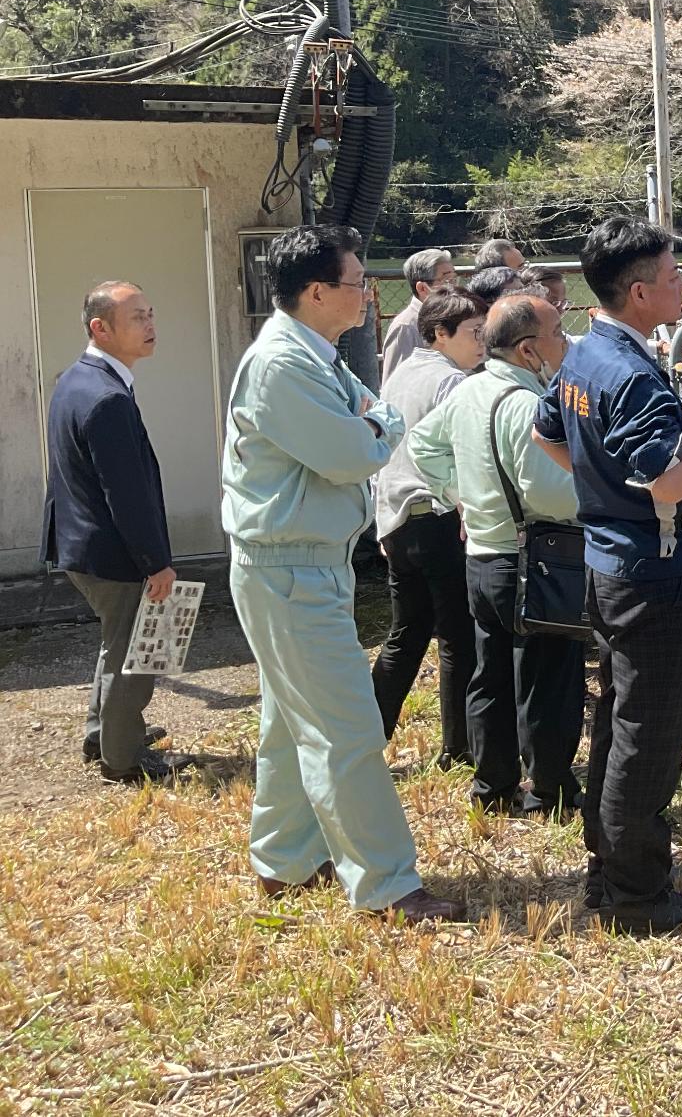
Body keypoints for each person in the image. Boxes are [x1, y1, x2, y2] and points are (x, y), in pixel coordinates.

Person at [221, 223, 463, 922]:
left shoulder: (312, 353)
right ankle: (387, 884)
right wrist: (377, 426)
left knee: (290, 720)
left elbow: (372, 417)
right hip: (290, 564)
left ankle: (284, 858)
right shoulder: (283, 364)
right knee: (347, 727)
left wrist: (372, 423)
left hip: (299, 561)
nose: (367, 294)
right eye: (358, 282)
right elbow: (354, 450)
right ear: (319, 290)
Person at [532, 216, 682, 934]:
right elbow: (667, 479)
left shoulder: (585, 355)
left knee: (619, 716)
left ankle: (610, 865)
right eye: (672, 277)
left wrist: (605, 496)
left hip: (610, 562)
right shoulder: (630, 374)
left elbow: (548, 434)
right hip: (655, 575)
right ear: (638, 293)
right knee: (650, 733)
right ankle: (637, 892)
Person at [409, 293, 585, 816]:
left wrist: (458, 495)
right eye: (557, 333)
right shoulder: (526, 405)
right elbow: (550, 492)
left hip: (482, 556)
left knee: (490, 673)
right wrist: (605, 499)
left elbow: (422, 444)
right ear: (529, 350)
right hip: (532, 559)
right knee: (548, 676)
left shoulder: (470, 391)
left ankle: (492, 784)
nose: (565, 342)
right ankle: (550, 786)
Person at [41, 282, 187, 783]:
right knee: (137, 656)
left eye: (150, 314)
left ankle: (101, 733)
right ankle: (122, 758)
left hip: (79, 545)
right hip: (113, 553)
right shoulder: (106, 398)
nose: (150, 326)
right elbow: (127, 495)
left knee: (117, 643)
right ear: (100, 328)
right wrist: (156, 562)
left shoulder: (75, 381)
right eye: (137, 318)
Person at [370, 289, 485, 766]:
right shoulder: (452, 383)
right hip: (439, 519)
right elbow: (463, 458)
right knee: (458, 637)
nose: (482, 341)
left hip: (397, 520)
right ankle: (456, 750)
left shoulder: (400, 374)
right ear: (440, 334)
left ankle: (368, 735)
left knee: (407, 631)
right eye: (473, 333)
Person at [379, 249, 457, 382]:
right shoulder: (406, 327)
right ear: (422, 288)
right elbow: (395, 385)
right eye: (446, 281)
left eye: (454, 279)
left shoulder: (451, 316)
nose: (454, 288)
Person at [518, 265, 582, 344]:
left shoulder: (566, 342)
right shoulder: (516, 341)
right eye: (553, 303)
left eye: (563, 302)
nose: (561, 310)